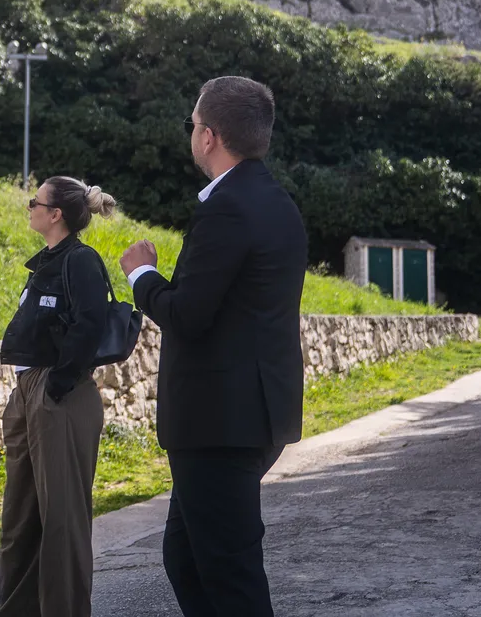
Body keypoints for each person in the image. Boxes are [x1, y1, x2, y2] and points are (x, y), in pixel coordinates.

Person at [120, 77, 307, 617]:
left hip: (219, 423)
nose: (192, 134)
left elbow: (187, 316)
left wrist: (142, 274)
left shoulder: (227, 208)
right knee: (186, 557)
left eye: (193, 124)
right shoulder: (275, 201)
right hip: (252, 414)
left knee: (229, 576)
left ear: (209, 135)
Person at [0, 176, 119, 617]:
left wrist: (57, 384)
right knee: (20, 522)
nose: (29, 207)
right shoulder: (48, 262)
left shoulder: (81, 261)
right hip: (29, 393)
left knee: (62, 522)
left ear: (56, 214)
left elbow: (90, 324)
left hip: (58, 396)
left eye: (36, 201)